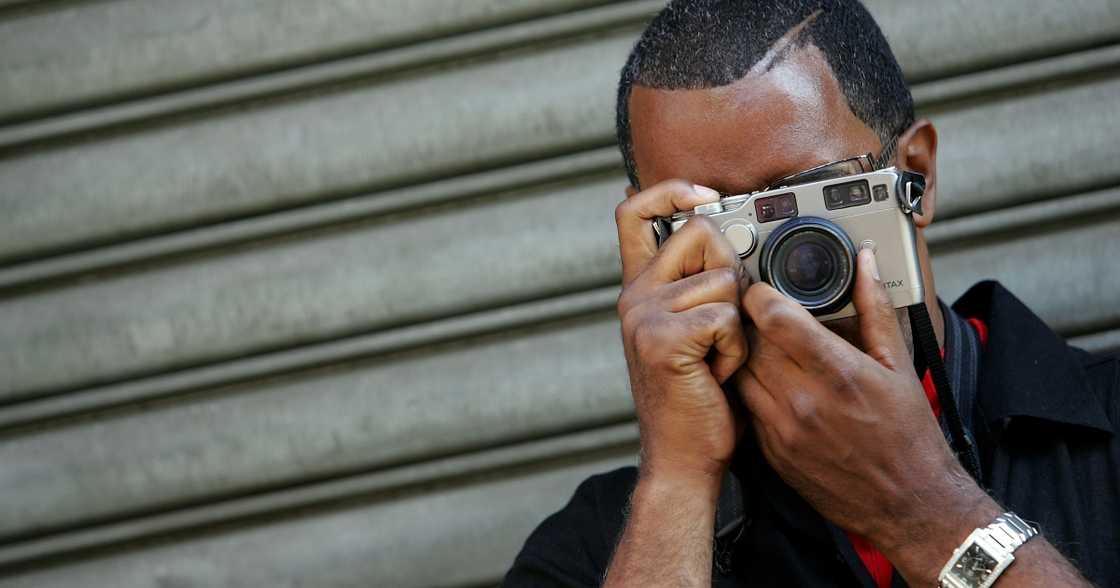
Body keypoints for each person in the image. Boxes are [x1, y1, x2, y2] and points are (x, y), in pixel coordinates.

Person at [504, 1, 1119, 587]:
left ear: (917, 177)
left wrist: (923, 509)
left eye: (807, 206)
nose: (777, 269)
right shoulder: (596, 549)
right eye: (719, 225)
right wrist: (679, 483)